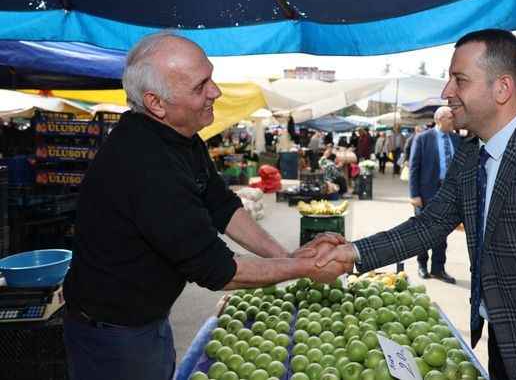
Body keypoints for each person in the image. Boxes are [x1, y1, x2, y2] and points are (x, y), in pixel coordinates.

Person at [314, 29, 516, 380]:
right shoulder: (471, 153)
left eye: (459, 80)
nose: (446, 92)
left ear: (502, 88)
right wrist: (352, 252)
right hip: (503, 340)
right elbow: (429, 224)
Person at [62, 32, 346, 380]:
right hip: (113, 334)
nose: (216, 92)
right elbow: (219, 270)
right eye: (200, 86)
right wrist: (305, 268)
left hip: (146, 318)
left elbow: (222, 206)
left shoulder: (180, 139)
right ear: (156, 103)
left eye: (211, 77)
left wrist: (284, 256)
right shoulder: (144, 165)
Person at [409, 106, 460, 283]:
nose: (453, 122)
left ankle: (438, 268)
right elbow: (414, 168)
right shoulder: (423, 138)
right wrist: (414, 194)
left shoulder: (456, 139)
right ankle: (422, 265)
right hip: (426, 192)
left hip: (448, 193)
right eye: (449, 119)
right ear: (439, 119)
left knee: (442, 232)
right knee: (423, 231)